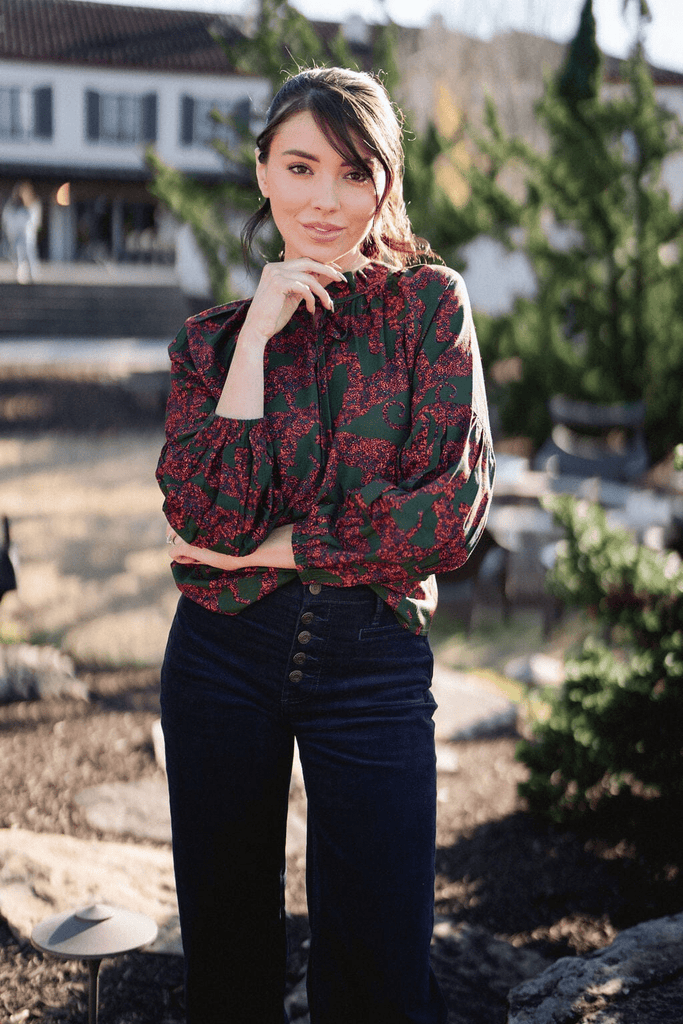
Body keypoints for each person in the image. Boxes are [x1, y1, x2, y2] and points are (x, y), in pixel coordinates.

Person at [157, 65, 495, 1024]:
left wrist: (275, 552)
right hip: (219, 659)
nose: (324, 199)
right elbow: (203, 518)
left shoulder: (431, 306)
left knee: (381, 965)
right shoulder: (210, 342)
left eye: (354, 174)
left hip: (373, 664)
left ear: (385, 183)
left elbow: (450, 515)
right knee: (227, 959)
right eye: (300, 167)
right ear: (262, 171)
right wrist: (258, 338)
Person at [1, 182, 41, 283]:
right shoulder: (13, 205)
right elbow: (7, 218)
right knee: (18, 255)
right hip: (16, 235)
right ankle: (20, 275)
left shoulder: (33, 205)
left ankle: (33, 275)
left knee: (30, 255)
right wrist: (11, 230)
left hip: (28, 236)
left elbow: (34, 221)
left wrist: (29, 229)